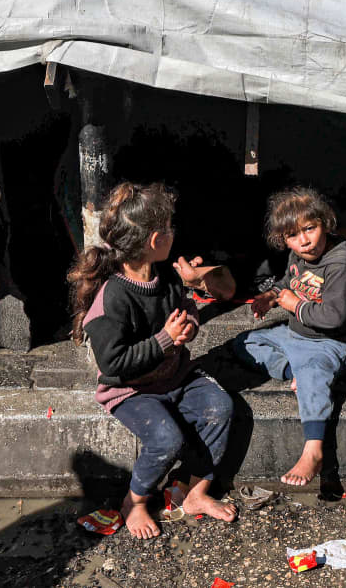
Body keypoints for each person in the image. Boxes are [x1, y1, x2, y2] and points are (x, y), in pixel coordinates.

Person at [68, 182, 238, 539]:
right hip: (132, 390)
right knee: (165, 438)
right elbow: (114, 364)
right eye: (170, 229)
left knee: (220, 406)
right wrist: (164, 339)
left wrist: (188, 326)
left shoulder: (165, 279)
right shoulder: (112, 298)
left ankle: (195, 492)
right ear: (156, 240)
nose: (175, 234)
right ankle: (135, 501)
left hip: (174, 376)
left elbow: (185, 308)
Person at [231, 187, 346, 487]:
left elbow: (333, 318)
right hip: (296, 335)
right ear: (283, 239)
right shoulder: (298, 253)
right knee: (246, 343)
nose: (303, 240)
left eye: (309, 229)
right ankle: (295, 373)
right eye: (293, 235)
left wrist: (294, 305)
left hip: (332, 343)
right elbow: (289, 281)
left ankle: (313, 449)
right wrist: (272, 295)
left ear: (324, 223)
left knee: (314, 373)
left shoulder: (340, 264)